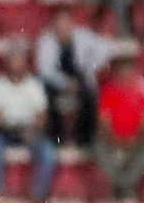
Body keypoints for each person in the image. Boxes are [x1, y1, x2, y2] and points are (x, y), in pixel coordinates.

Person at [0, 47, 57, 202]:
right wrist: (13, 123)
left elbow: (42, 116)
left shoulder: (34, 85)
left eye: (20, 62)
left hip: (29, 131)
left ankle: (38, 194)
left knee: (48, 152)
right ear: (7, 64)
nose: (16, 65)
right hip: (4, 131)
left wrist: (29, 128)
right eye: (13, 61)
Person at [36, 8, 111, 146]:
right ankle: (55, 138)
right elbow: (45, 71)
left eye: (66, 25)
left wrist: (91, 68)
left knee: (89, 94)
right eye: (59, 25)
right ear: (54, 26)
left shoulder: (82, 37)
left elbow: (105, 48)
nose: (63, 29)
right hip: (56, 82)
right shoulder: (46, 41)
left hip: (78, 78)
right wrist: (66, 83)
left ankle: (84, 139)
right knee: (46, 95)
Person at [92, 53, 144, 199]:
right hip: (112, 141)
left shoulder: (143, 91)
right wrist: (115, 140)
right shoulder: (107, 91)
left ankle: (122, 187)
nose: (124, 74)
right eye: (121, 71)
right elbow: (103, 122)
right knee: (97, 148)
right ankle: (126, 189)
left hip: (136, 141)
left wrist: (134, 139)